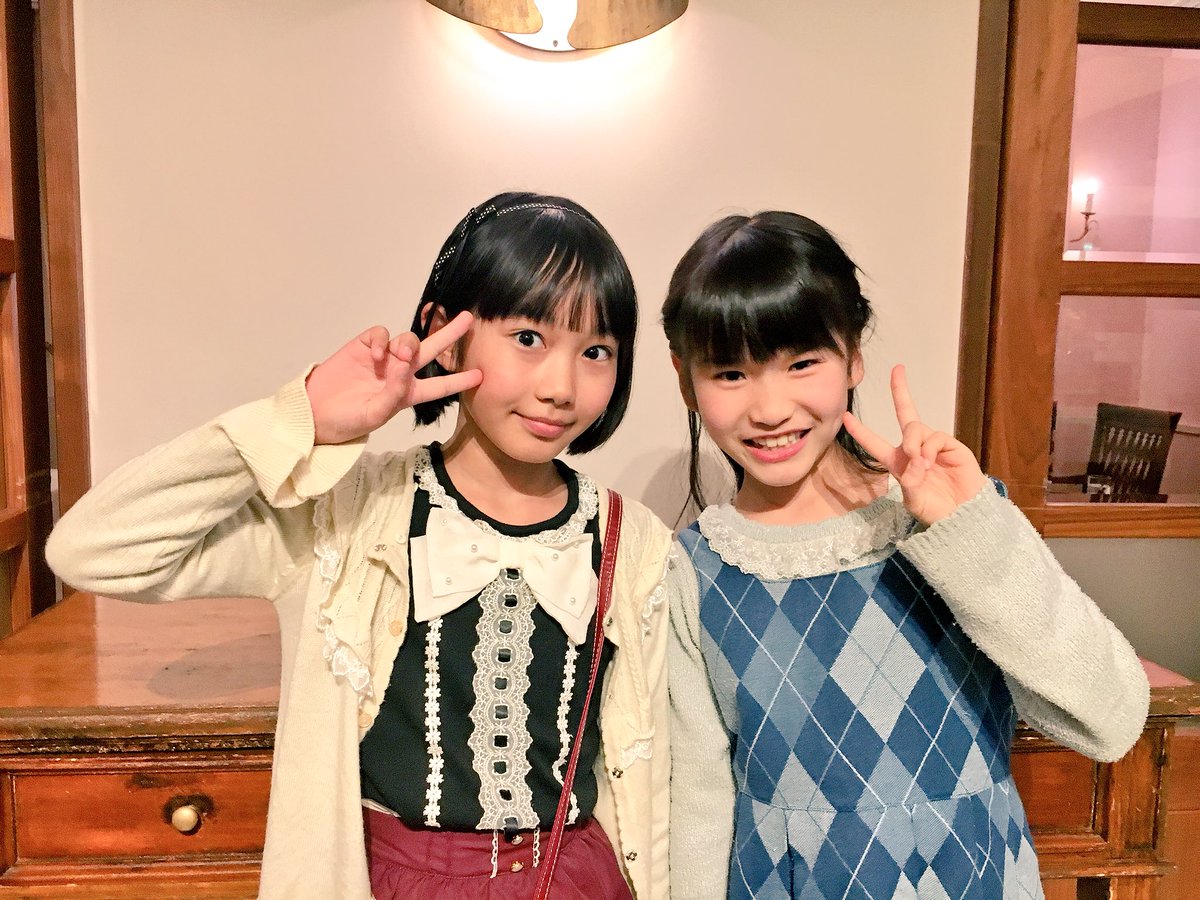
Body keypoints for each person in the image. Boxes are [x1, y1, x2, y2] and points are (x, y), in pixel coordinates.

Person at [46, 191, 674, 900]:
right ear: (445, 333)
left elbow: (650, 783)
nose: (561, 386)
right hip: (387, 881)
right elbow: (93, 550)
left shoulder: (633, 541)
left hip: (576, 880)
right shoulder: (344, 514)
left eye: (595, 351)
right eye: (528, 338)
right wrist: (301, 418)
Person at [661, 211, 1149, 899]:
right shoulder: (696, 570)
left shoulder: (949, 524)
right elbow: (700, 804)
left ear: (853, 355)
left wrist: (971, 533)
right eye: (731, 373)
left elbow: (1111, 717)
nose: (769, 408)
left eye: (802, 363)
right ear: (686, 380)